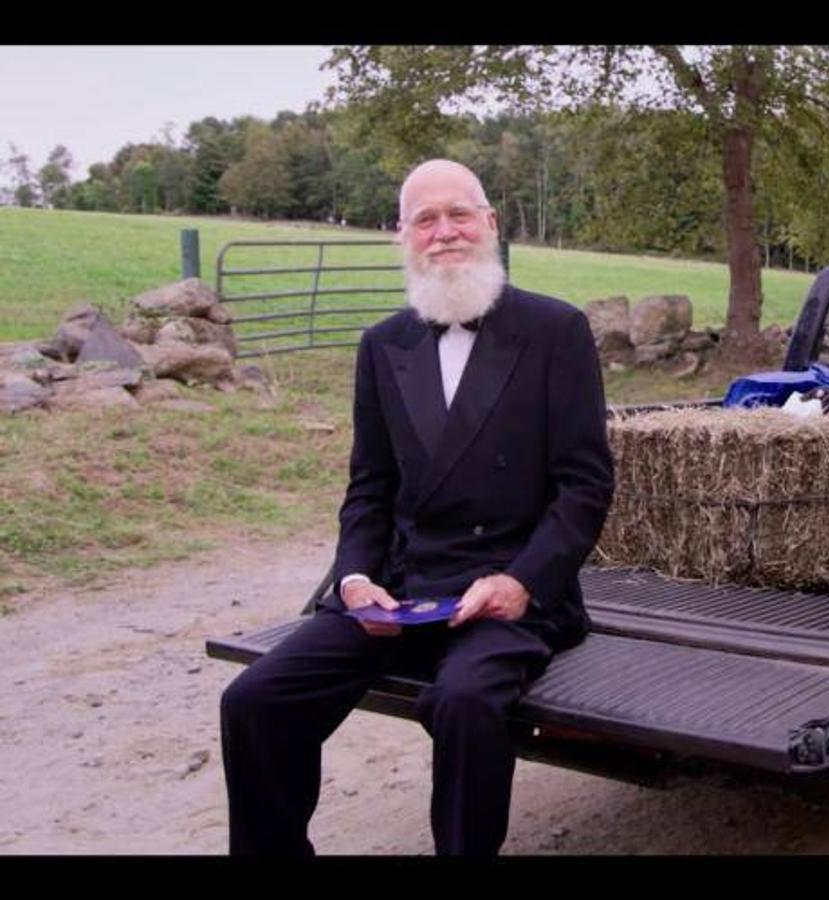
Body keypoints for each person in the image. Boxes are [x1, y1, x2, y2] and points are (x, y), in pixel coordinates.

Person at [219, 159, 614, 857]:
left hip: (511, 592)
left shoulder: (555, 330)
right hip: (401, 591)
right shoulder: (383, 344)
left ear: (490, 223)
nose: (444, 232)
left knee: (462, 705)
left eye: (459, 213)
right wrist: (353, 579)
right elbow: (369, 487)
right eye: (425, 219)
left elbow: (583, 485)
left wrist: (522, 582)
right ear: (402, 236)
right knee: (253, 702)